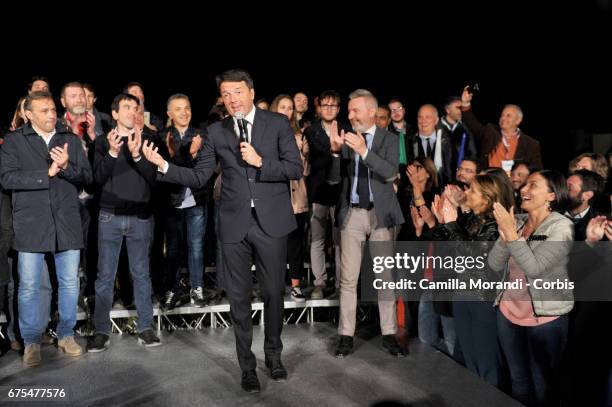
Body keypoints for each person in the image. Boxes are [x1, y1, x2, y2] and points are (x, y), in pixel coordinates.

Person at [142, 69, 302, 393]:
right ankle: (247, 366)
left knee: (273, 294)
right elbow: (200, 176)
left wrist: (260, 161)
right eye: (226, 94)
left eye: (237, 92)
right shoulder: (216, 131)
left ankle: (273, 355)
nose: (232, 99)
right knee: (239, 299)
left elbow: (294, 169)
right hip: (234, 224)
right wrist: (164, 166)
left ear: (252, 92)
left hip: (271, 222)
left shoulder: (277, 124)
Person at [0, 91, 93, 366]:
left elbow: (87, 177)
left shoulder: (70, 140)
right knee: (28, 286)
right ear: (28, 114)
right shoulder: (14, 142)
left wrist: (65, 167)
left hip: (67, 224)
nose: (51, 114)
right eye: (44, 110)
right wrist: (47, 174)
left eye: (53, 109)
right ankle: (31, 341)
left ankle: (66, 335)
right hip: (31, 226)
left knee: (68, 283)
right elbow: (6, 178)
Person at [327, 89, 405, 358]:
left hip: (381, 216)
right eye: (349, 111)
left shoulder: (390, 139)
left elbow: (391, 172)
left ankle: (389, 334)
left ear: (372, 111)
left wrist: (363, 151)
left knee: (385, 278)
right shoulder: (346, 138)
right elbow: (334, 181)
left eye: (355, 110)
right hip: (353, 215)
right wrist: (337, 153)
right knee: (348, 279)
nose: (350, 115)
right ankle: (346, 336)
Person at [489, 170, 573, 406]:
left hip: (545, 321)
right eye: (524, 185)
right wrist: (508, 235)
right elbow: (494, 264)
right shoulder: (517, 222)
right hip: (508, 314)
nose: (524, 190)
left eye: (533, 185)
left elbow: (535, 268)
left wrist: (512, 236)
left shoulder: (562, 227)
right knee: (519, 381)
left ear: (551, 196)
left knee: (543, 385)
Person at [87, 94, 161, 352]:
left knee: (141, 274)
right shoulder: (100, 142)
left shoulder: (149, 140)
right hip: (109, 216)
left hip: (140, 217)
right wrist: (112, 152)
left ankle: (146, 328)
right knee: (105, 277)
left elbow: (154, 179)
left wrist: (138, 155)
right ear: (115, 114)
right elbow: (96, 179)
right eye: (126, 107)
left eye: (135, 107)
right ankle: (100, 331)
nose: (132, 111)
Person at [432, 173, 514, 387]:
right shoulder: (472, 219)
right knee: (468, 360)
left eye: (472, 190)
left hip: (483, 301)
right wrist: (441, 223)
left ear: (487, 200)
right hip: (462, 295)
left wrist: (450, 224)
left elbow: (476, 263)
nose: (466, 192)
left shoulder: (496, 227)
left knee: (487, 362)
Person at [269, 94, 309, 302]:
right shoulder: (265, 134)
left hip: (296, 197)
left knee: (295, 243)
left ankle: (296, 285)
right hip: (274, 198)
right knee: (274, 244)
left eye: (290, 107)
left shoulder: (300, 136)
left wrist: (304, 152)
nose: (287, 111)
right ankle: (275, 285)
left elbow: (306, 171)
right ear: (275, 109)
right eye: (283, 107)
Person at [461, 86, 543, 171]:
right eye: (502, 115)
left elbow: (536, 169)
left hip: (512, 182)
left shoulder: (531, 144)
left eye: (508, 116)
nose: (503, 118)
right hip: (488, 180)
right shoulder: (490, 131)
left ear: (518, 120)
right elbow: (472, 123)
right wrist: (465, 103)